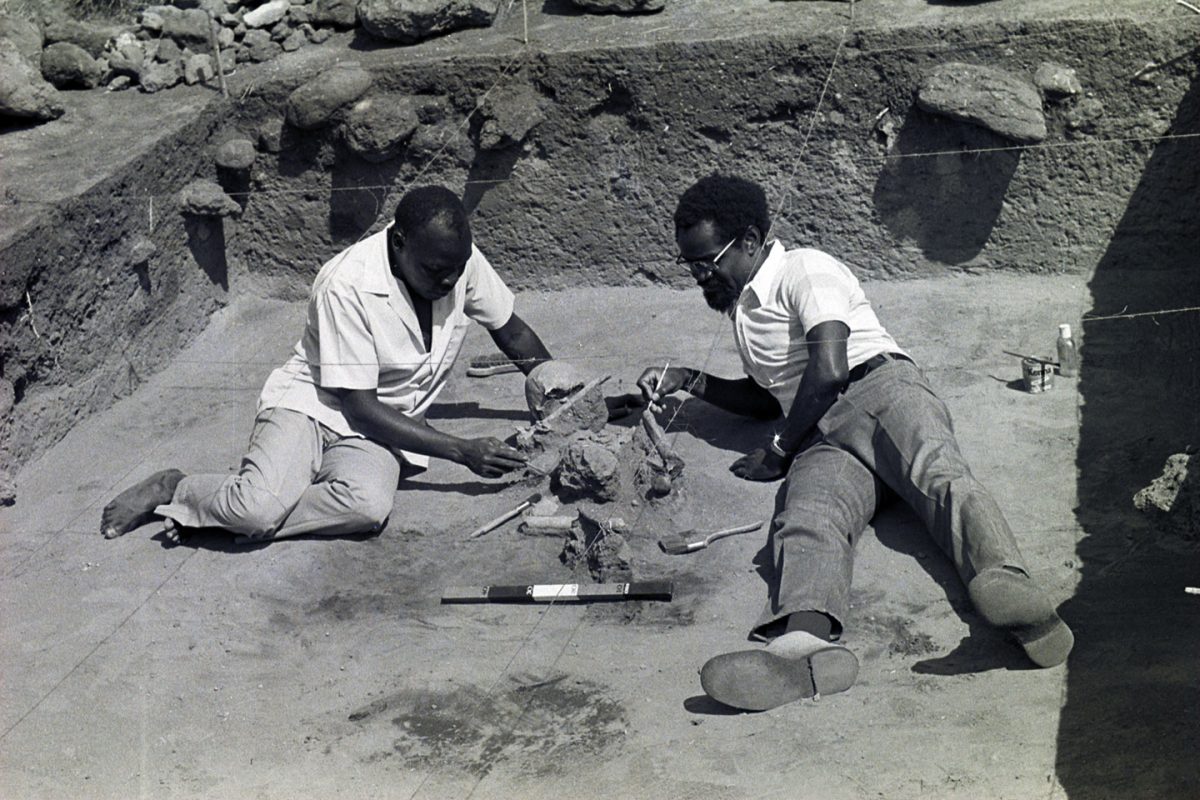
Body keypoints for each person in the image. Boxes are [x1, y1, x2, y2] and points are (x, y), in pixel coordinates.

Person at [637, 174, 1074, 711]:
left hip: (880, 389)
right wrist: (689, 379)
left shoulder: (804, 269)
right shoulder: (744, 309)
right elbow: (770, 397)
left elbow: (829, 368)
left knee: (940, 477)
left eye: (708, 259)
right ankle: (802, 651)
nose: (701, 274)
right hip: (820, 433)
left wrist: (778, 452)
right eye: (691, 265)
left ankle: (1015, 595)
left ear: (750, 240)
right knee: (808, 519)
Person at [101, 185, 551, 543]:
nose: (452, 280)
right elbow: (358, 408)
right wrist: (461, 449)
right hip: (316, 406)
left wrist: (568, 391)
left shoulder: (455, 260)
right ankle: (177, 488)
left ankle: (222, 513)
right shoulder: (347, 284)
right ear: (399, 243)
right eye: (437, 271)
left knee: (367, 508)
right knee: (258, 509)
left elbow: (511, 332)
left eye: (458, 268)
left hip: (385, 421)